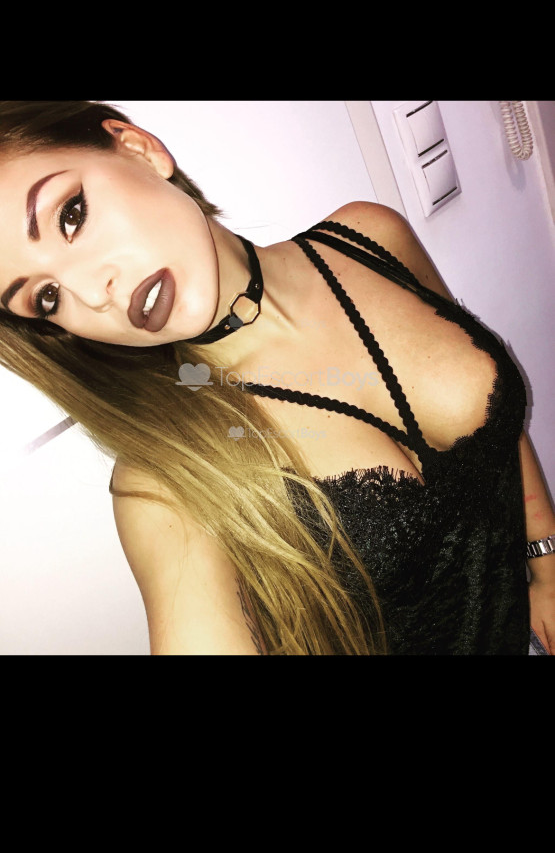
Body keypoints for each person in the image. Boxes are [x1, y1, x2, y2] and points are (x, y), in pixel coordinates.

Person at [1, 100, 554, 656]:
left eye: (71, 215)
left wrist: (547, 560)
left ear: (140, 150)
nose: (92, 292)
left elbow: (497, 425)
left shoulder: (371, 236)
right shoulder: (165, 481)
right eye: (46, 297)